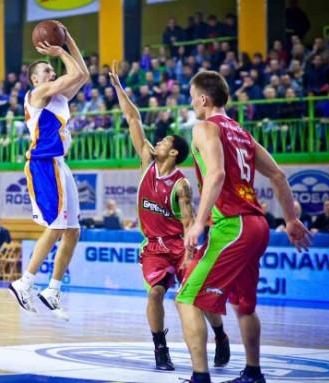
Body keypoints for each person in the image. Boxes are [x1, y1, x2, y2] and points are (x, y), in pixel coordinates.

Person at [175, 71, 312, 383]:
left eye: (193, 98)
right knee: (244, 306)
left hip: (233, 226)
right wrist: (290, 220)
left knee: (186, 298)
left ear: (203, 99)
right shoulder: (242, 134)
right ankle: (253, 372)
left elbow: (217, 174)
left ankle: (200, 378)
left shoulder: (205, 127)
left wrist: (198, 223)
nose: (192, 104)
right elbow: (278, 175)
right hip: (257, 226)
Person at [108, 63, 231, 371]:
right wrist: (118, 88)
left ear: (174, 153)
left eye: (164, 142)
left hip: (179, 245)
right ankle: (160, 348)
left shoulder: (181, 185)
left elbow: (189, 222)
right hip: (153, 246)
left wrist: (190, 254)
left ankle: (220, 334)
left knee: (198, 297)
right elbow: (133, 118)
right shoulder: (147, 162)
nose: (158, 142)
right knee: (155, 293)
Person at [9, 22, 89, 321]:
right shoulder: (38, 93)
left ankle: (53, 290)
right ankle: (24, 282)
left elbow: (83, 74)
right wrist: (60, 48)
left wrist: (68, 40)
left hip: (59, 164)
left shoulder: (59, 98)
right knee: (56, 226)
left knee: (73, 231)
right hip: (42, 163)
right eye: (46, 71)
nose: (51, 74)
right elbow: (76, 73)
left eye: (52, 71)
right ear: (34, 78)